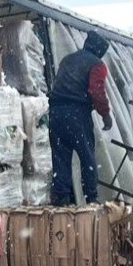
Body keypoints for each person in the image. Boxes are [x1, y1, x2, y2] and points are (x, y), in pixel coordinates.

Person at [48, 31, 112, 206]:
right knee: (87, 155)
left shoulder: (67, 59)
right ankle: (91, 198)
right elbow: (96, 91)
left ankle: (61, 198)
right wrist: (105, 114)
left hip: (55, 112)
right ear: (100, 51)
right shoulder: (97, 64)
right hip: (76, 113)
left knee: (60, 155)